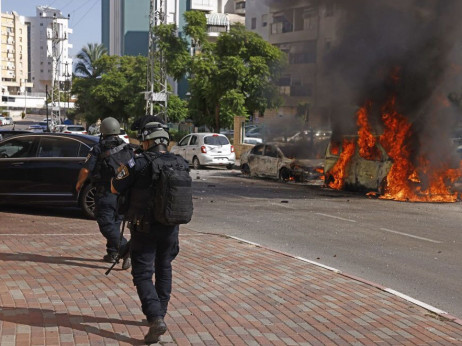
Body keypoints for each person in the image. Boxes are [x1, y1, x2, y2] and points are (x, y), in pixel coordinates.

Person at [110, 122, 183, 344]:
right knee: (164, 268)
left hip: (144, 228)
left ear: (149, 141)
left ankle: (155, 317)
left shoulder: (138, 162)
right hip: (171, 228)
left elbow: (115, 186)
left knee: (142, 274)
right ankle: (160, 311)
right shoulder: (179, 162)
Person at [75, 117, 130, 269]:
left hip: (105, 192)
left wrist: (79, 184)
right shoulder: (126, 148)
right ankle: (113, 253)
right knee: (115, 222)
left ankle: (125, 248)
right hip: (123, 193)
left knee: (105, 223)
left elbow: (86, 169)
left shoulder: (98, 148)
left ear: (103, 131)